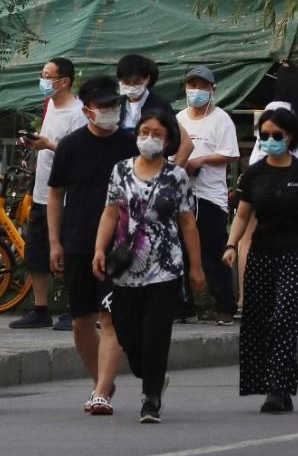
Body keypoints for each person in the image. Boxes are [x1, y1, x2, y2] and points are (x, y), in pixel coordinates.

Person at [92, 110, 205, 423]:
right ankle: (150, 374)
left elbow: (187, 223)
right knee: (128, 335)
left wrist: (196, 268)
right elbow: (110, 213)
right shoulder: (120, 171)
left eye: (157, 133)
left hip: (165, 267)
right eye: (145, 131)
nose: (150, 138)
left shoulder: (176, 176)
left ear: (168, 140)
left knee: (156, 334)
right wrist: (99, 250)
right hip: (126, 267)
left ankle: (151, 397)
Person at [47, 75, 138, 413]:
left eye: (114, 105)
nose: (110, 111)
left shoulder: (132, 144)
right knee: (81, 321)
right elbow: (55, 194)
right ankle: (103, 379)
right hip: (78, 240)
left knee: (110, 316)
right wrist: (55, 242)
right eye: (103, 106)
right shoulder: (71, 145)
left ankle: (100, 392)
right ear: (87, 110)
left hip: (122, 246)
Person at [223, 108, 298, 413]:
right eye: (264, 135)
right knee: (259, 320)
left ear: (291, 136)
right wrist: (231, 245)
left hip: (295, 253)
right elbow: (243, 214)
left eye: (277, 135)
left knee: (284, 317)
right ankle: (273, 382)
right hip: (261, 253)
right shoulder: (255, 173)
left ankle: (278, 388)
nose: (270, 140)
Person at [12, 58, 87, 331]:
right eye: (42, 74)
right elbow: (48, 142)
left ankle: (73, 308)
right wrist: (35, 143)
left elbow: (79, 153)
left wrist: (49, 145)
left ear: (64, 81)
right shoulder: (50, 106)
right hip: (42, 189)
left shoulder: (78, 112)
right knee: (36, 250)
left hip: (66, 195)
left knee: (67, 252)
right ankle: (40, 307)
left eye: (48, 75)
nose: (43, 80)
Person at [177, 66, 240, 325]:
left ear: (213, 89)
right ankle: (183, 306)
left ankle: (225, 305)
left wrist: (201, 159)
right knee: (178, 250)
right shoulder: (179, 117)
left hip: (210, 195)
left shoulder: (221, 118)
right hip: (181, 194)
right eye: (193, 85)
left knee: (213, 252)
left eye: (203, 86)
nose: (197, 90)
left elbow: (231, 153)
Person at [238, 63, 298, 311]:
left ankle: (246, 299)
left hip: (265, 177)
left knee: (248, 238)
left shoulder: (275, 108)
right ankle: (286, 301)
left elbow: (261, 148)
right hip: (297, 181)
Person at [116, 54, 194, 164]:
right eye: (127, 82)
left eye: (136, 82)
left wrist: (170, 174)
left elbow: (181, 144)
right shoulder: (117, 105)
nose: (131, 87)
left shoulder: (160, 106)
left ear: (147, 79)